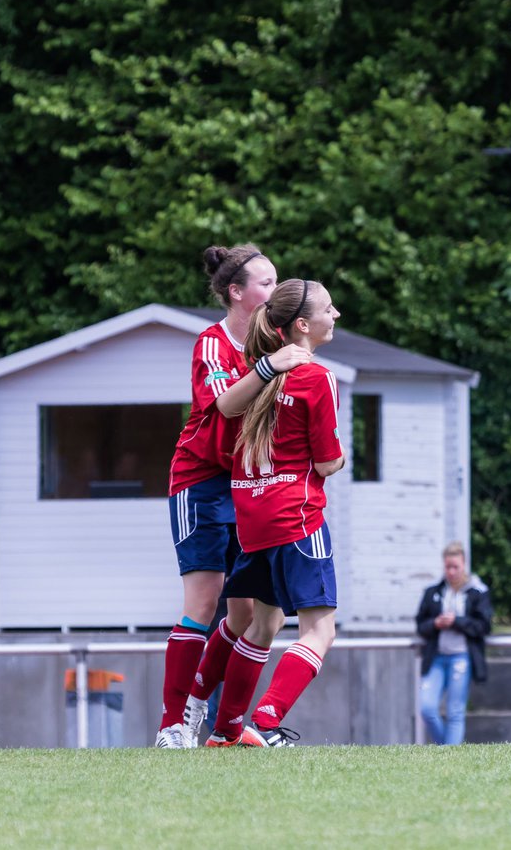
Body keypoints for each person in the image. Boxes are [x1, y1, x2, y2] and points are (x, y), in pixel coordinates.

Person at [156, 244, 312, 748]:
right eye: (265, 282)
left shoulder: (275, 343)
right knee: (203, 602)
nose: (274, 289)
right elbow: (225, 406)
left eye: (276, 280)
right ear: (236, 292)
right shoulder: (212, 343)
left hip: (250, 488)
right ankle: (171, 726)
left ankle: (214, 720)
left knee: (247, 615)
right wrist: (272, 368)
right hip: (201, 484)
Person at [205, 277, 345, 748]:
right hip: (298, 518)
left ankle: (225, 730)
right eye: (329, 309)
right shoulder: (316, 377)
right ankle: (266, 720)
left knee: (263, 625)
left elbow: (221, 407)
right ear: (303, 325)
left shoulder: (257, 373)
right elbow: (326, 462)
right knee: (320, 629)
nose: (336, 315)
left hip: (254, 520)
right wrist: (340, 459)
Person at [414, 542, 492, 744]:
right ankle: (447, 752)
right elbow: (420, 624)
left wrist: (457, 621)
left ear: (464, 564)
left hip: (462, 657)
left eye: (455, 567)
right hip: (437, 657)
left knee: (455, 711)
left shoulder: (478, 591)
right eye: (447, 566)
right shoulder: (434, 592)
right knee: (427, 708)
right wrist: (436, 623)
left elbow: (484, 626)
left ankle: (449, 756)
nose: (451, 571)